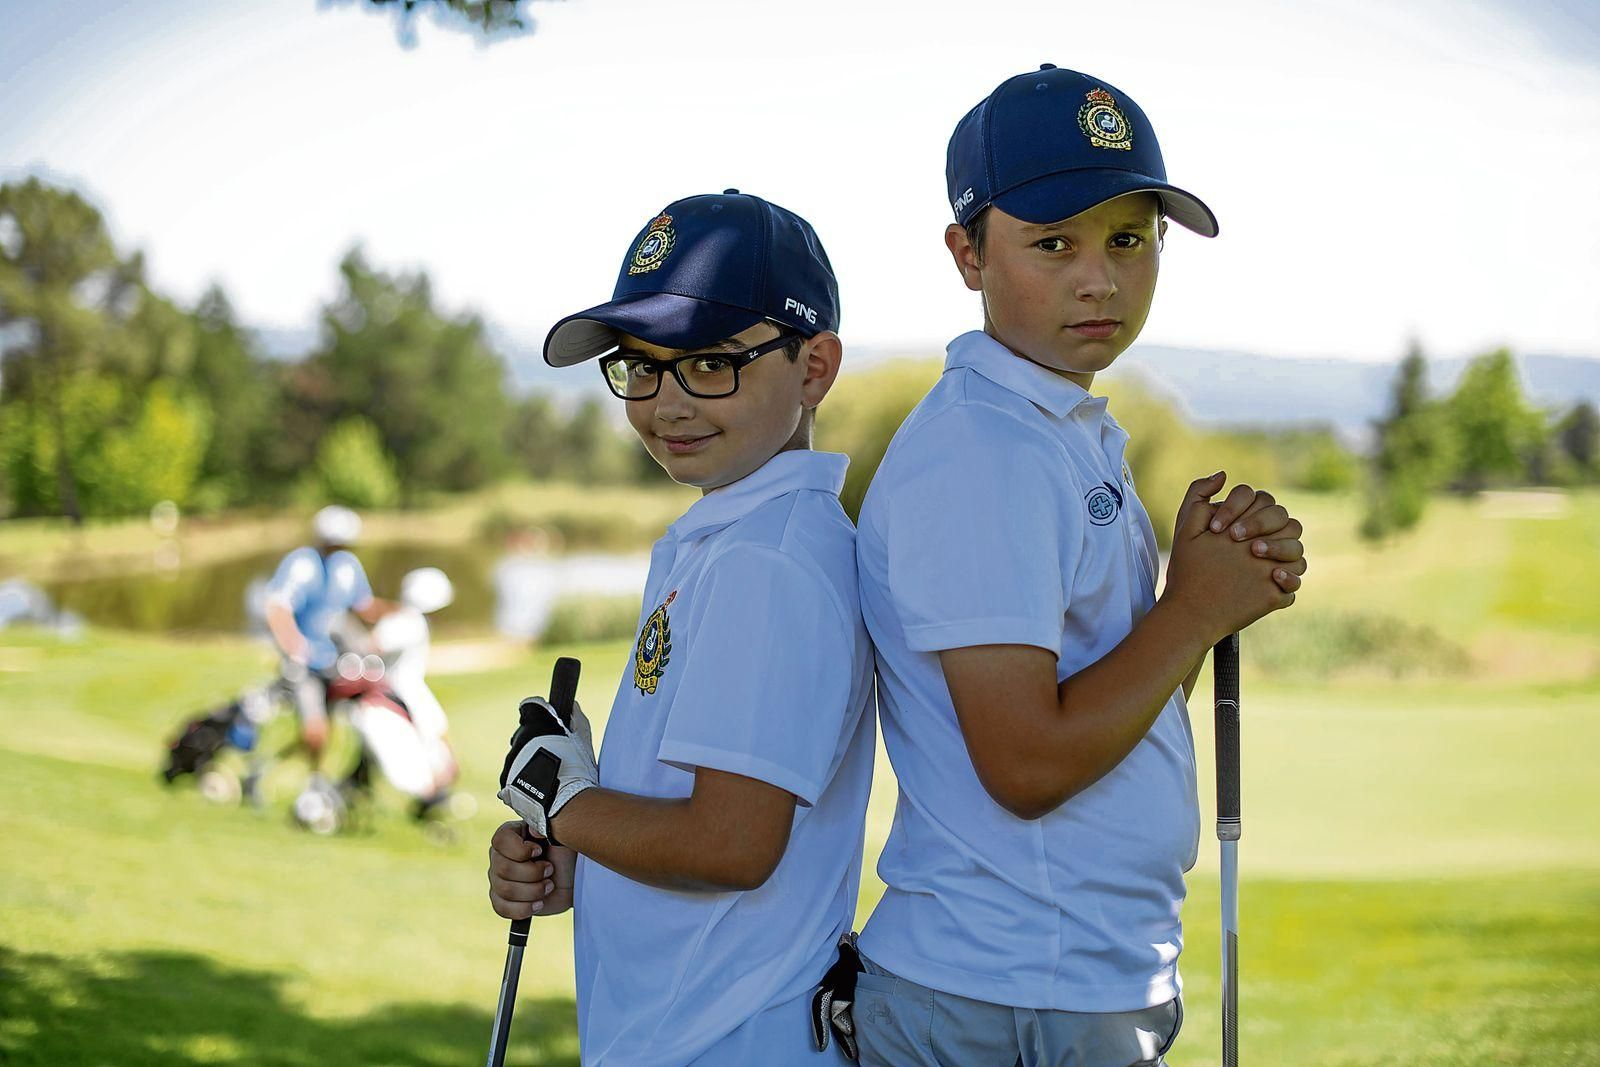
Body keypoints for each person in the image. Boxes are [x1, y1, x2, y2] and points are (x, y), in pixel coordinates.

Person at [837, 67, 1311, 1066]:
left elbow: (1113, 715)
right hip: (1004, 992)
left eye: (1127, 239)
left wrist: (1208, 596)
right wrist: (1188, 612)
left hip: (1055, 978)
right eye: (1052, 242)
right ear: (967, 252)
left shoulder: (1056, 430)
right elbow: (1027, 763)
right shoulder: (986, 451)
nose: (1098, 277)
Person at [487, 191, 876, 1065]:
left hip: (731, 1040)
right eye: (642, 365)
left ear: (814, 366)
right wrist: (573, 856)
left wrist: (567, 802)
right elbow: (685, 824)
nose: (665, 402)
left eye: (708, 363)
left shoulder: (767, 562)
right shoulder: (730, 536)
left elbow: (732, 843)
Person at [262, 505, 394, 788]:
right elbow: (277, 608)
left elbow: (363, 607)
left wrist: (401, 612)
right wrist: (293, 648)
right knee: (315, 729)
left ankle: (337, 783)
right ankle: (314, 783)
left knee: (350, 723)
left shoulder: (348, 566)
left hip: (338, 664)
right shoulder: (302, 563)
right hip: (306, 665)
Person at [351, 566, 460, 815]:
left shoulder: (405, 620)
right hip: (396, 695)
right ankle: (430, 796)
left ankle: (360, 788)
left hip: (398, 693)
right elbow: (373, 646)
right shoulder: (408, 623)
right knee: (432, 745)